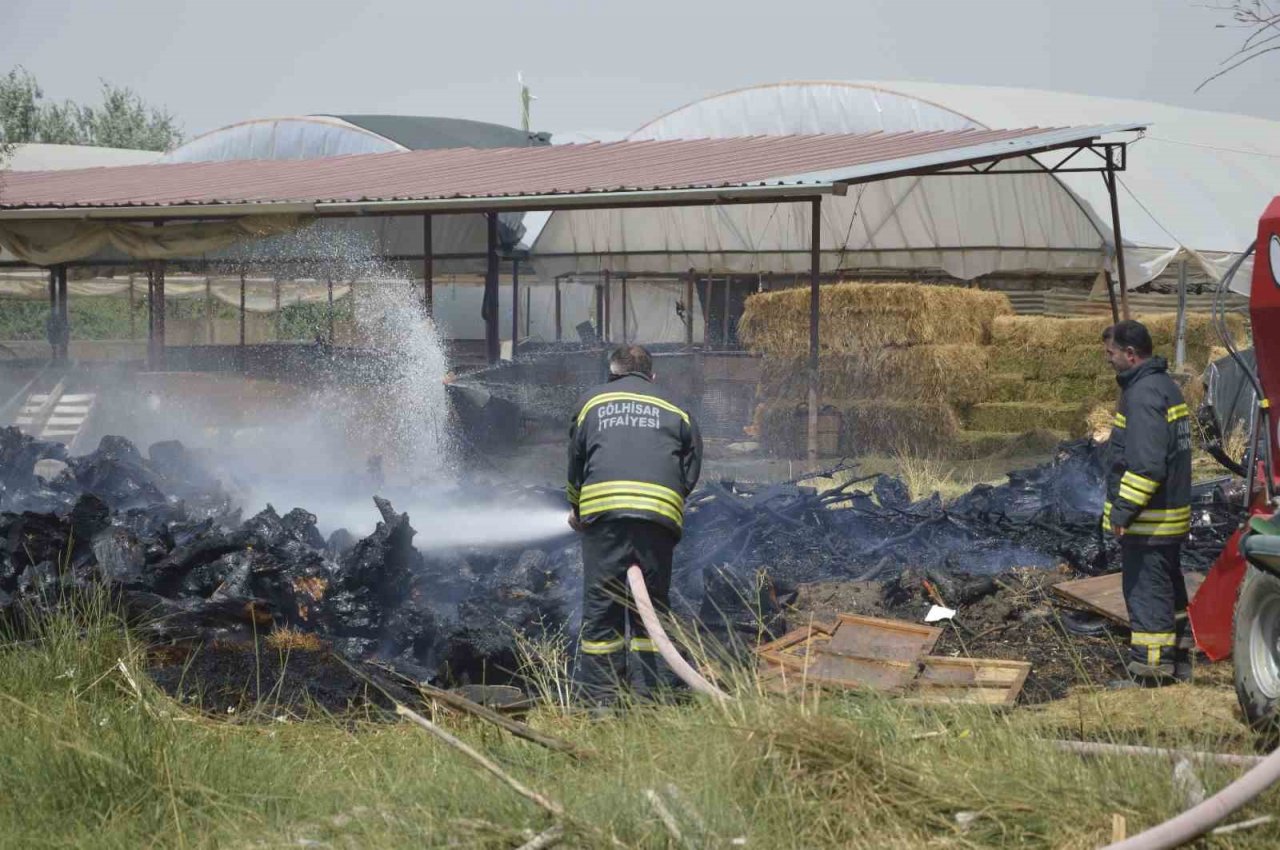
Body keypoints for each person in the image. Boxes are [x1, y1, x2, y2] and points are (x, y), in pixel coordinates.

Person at [566, 344, 702, 706]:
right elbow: (690, 467)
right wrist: (669, 500)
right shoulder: (676, 409)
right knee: (652, 612)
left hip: (605, 519)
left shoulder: (592, 402)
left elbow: (576, 463)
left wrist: (576, 509)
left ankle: (601, 705)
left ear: (612, 374)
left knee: (601, 613)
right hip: (659, 518)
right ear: (652, 377)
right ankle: (651, 700)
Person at [1102, 319, 1193, 686]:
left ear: (1129, 353)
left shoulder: (1142, 396)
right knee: (1168, 587)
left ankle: (1151, 673)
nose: (1108, 360)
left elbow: (1146, 466)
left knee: (1147, 593)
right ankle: (1181, 657)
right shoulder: (1166, 387)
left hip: (1149, 520)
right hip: (1168, 515)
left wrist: (1122, 511)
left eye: (1110, 353)